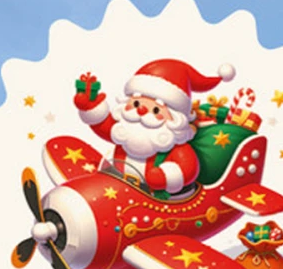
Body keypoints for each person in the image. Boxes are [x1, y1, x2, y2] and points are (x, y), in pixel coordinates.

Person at [73, 58, 235, 195]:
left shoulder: (174, 146)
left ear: (174, 119)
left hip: (153, 200)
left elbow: (188, 168)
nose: (142, 111)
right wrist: (91, 107)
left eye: (156, 110)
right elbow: (105, 126)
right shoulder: (124, 131)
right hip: (116, 188)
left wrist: (167, 176)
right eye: (136, 103)